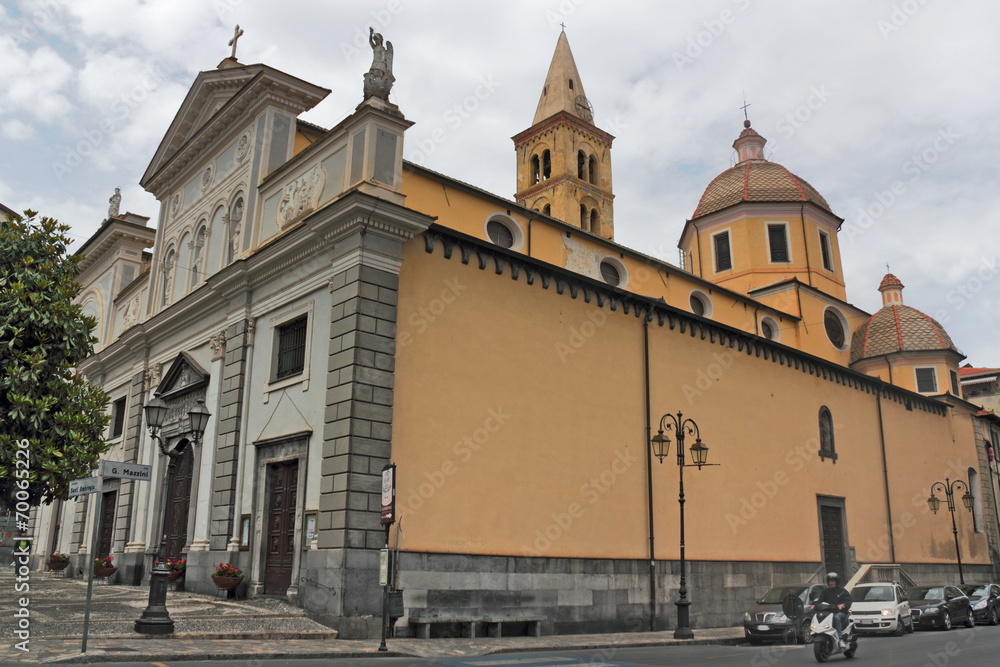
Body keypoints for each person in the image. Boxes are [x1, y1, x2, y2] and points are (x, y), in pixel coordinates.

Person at [818, 572, 852, 648]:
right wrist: (815, 605)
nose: (831, 583)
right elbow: (819, 602)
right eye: (830, 581)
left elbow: (848, 601)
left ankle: (840, 639)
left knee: (836, 617)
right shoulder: (825, 592)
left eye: (833, 581)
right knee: (819, 616)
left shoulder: (842, 591)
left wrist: (843, 605)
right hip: (828, 612)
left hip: (840, 613)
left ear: (837, 582)